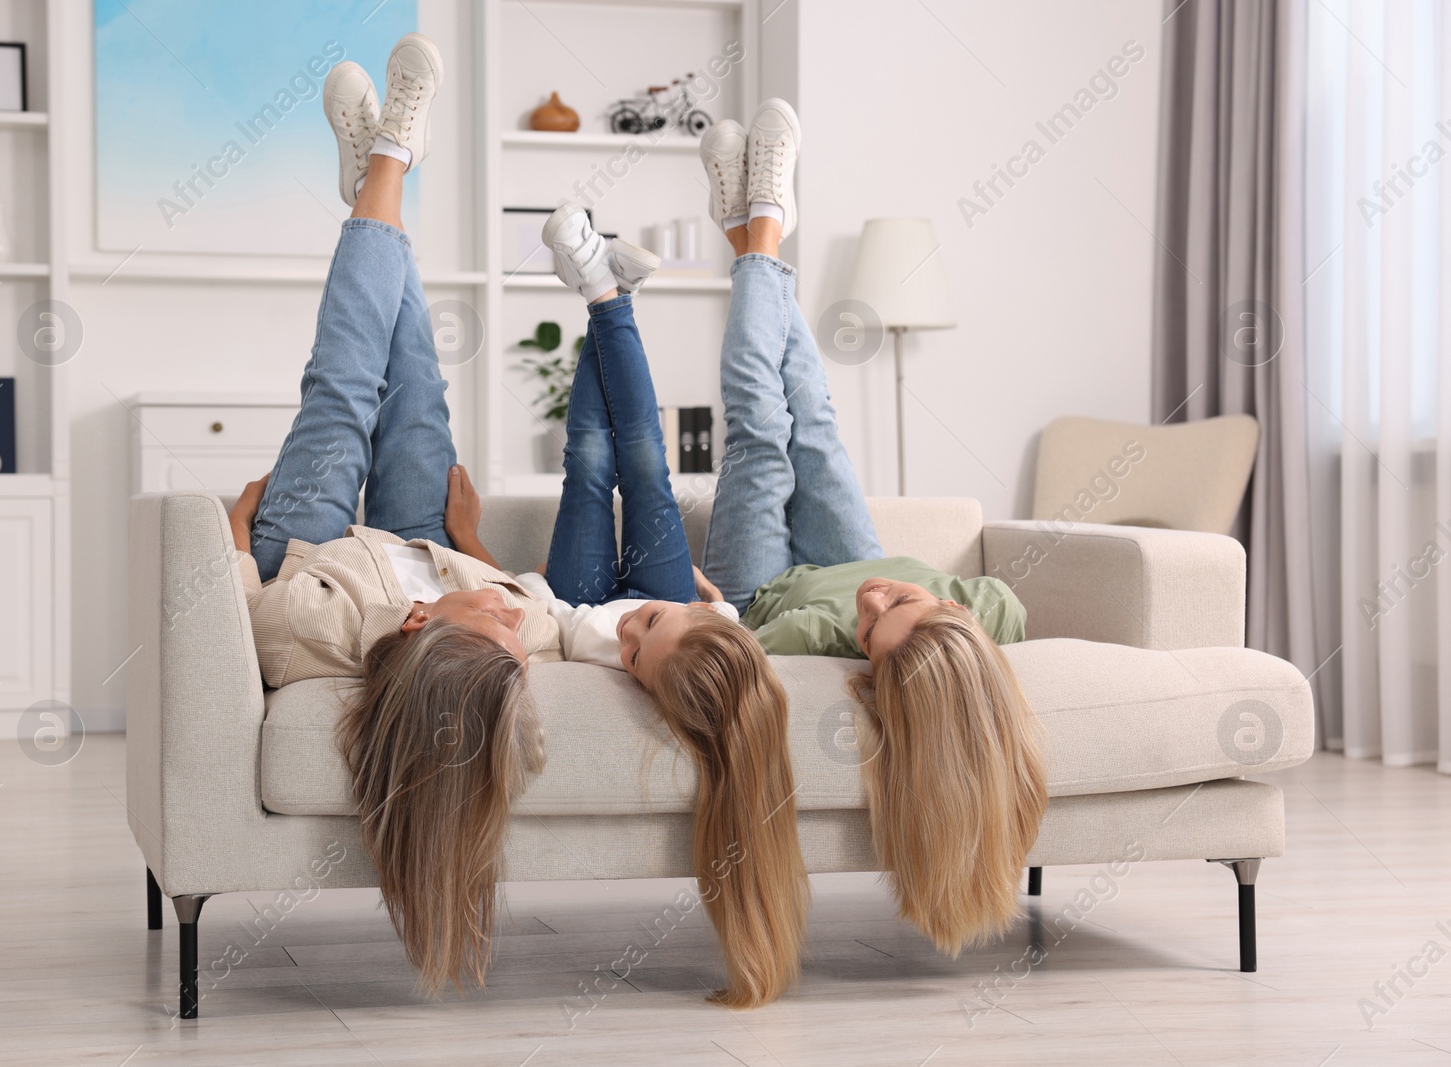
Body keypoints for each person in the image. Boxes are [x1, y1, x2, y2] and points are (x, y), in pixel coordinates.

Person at [225, 34, 554, 995]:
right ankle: (376, 181)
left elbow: (247, 608)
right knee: (416, 386)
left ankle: (390, 161)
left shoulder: (310, 633)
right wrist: (473, 550)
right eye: (516, 650)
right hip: (424, 543)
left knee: (343, 380)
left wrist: (240, 536)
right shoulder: (506, 632)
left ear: (418, 627)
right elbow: (538, 607)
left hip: (313, 546)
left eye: (494, 627)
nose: (516, 625)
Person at [693, 100, 1049, 958]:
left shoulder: (831, 635)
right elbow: (990, 614)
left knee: (763, 428)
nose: (870, 603)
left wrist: (719, 615)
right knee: (813, 415)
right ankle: (750, 232)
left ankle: (761, 226)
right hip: (845, 548)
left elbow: (760, 640)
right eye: (898, 603)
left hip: (759, 584)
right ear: (948, 615)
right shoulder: (986, 611)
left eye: (867, 627)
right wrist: (873, 579)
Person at [507, 199, 809, 1010]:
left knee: (586, 462)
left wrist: (538, 591)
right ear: (705, 626)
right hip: (676, 582)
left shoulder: (657, 662)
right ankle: (607, 295)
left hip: (572, 596)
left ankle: (609, 289)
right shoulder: (707, 627)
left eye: (634, 655)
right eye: (654, 633)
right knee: (642, 460)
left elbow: (566, 630)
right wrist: (694, 600)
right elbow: (718, 629)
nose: (633, 635)